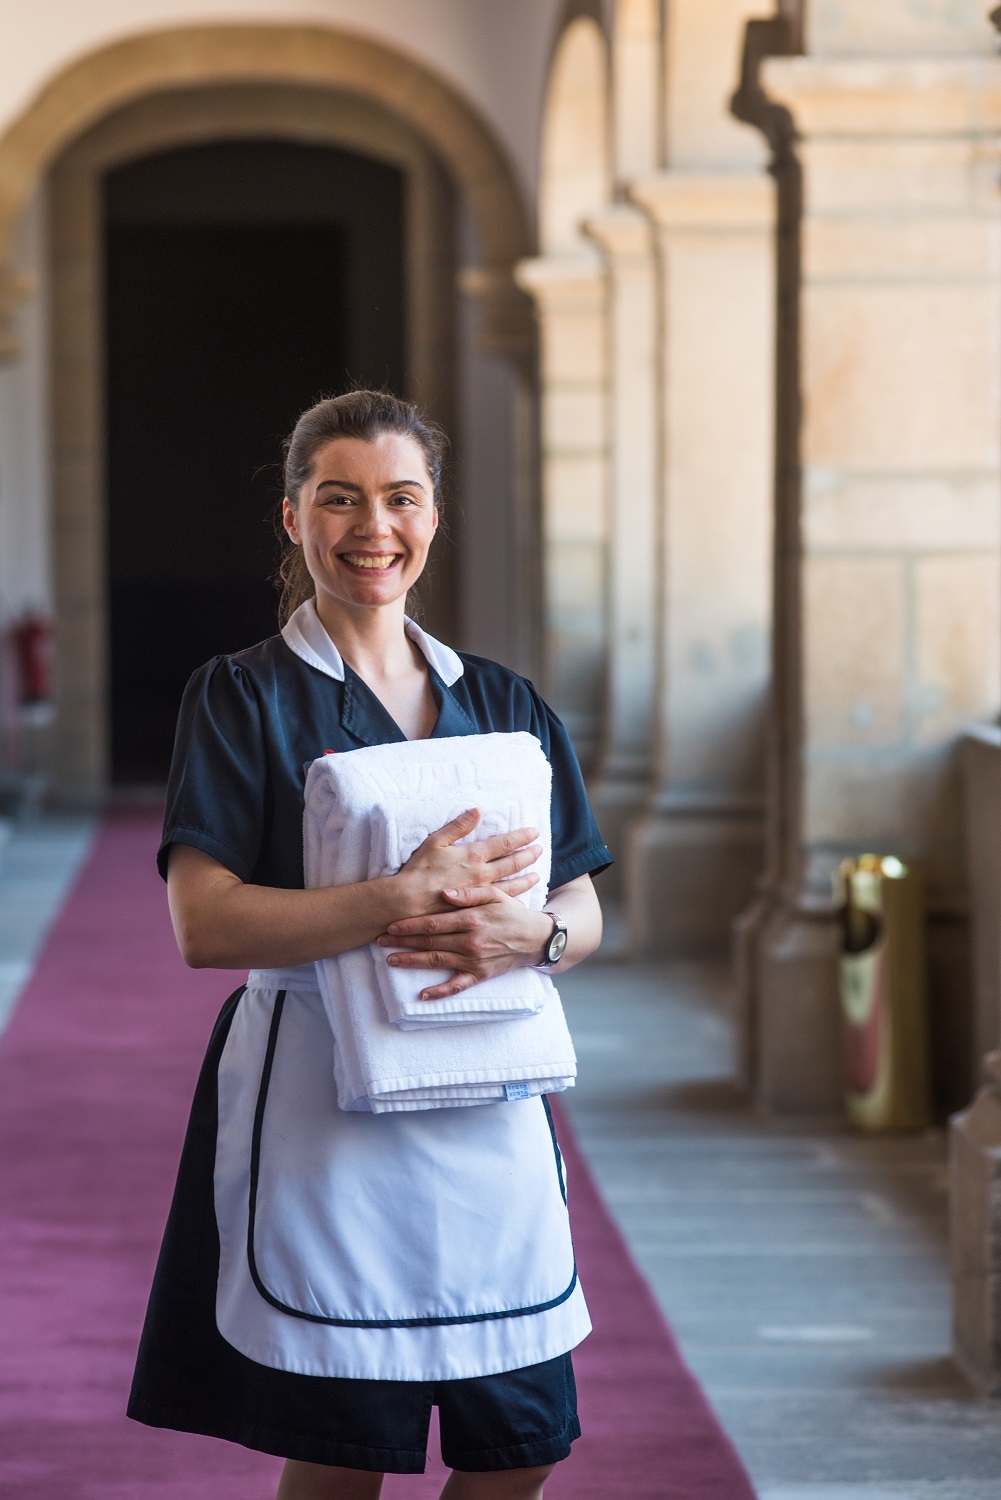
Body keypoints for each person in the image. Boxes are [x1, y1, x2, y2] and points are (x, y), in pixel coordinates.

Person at [128, 390, 611, 1500]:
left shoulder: (503, 702)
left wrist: (528, 934)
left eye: (398, 499)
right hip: (320, 1094)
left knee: (525, 1434)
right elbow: (204, 923)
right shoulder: (241, 695)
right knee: (347, 1446)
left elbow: (581, 912)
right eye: (338, 499)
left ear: (432, 519)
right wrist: (401, 896)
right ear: (293, 518)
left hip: (488, 1095)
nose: (370, 528)